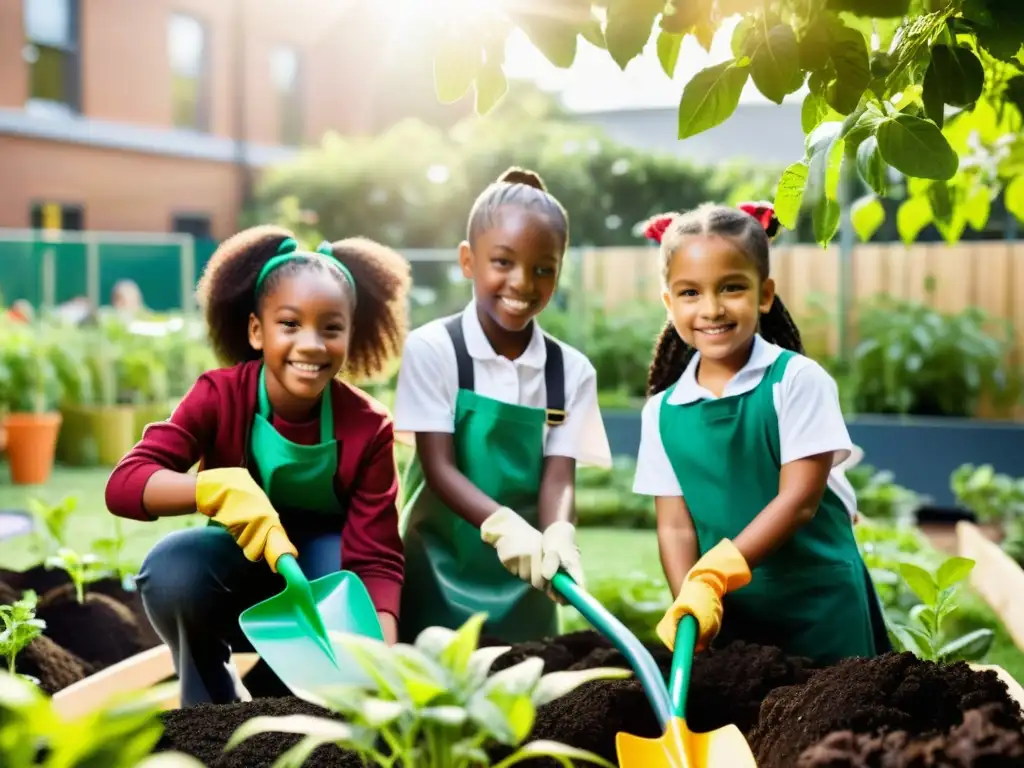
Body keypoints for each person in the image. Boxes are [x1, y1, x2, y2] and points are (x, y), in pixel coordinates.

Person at [104, 225, 410, 705]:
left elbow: (376, 560)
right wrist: (211, 488)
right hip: (237, 567)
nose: (311, 345)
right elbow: (124, 484)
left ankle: (295, 694)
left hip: (320, 582)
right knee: (174, 569)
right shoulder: (220, 396)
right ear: (255, 330)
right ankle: (210, 704)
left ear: (351, 334)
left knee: (341, 569)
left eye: (331, 328)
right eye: (289, 324)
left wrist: (383, 657)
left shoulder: (367, 426)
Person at [632, 201, 890, 666]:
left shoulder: (796, 381)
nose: (711, 308)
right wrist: (690, 602)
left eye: (731, 288)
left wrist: (714, 574)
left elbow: (799, 501)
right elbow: (674, 524)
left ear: (764, 294)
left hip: (821, 608)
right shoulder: (661, 412)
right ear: (669, 303)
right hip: (735, 616)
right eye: (690, 293)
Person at [392, 167, 612, 644]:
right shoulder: (434, 350)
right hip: (435, 571)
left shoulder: (570, 371)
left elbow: (559, 474)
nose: (523, 283)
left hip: (525, 580)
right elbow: (438, 467)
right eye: (503, 262)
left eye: (543, 269)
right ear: (469, 261)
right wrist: (503, 527)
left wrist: (557, 534)